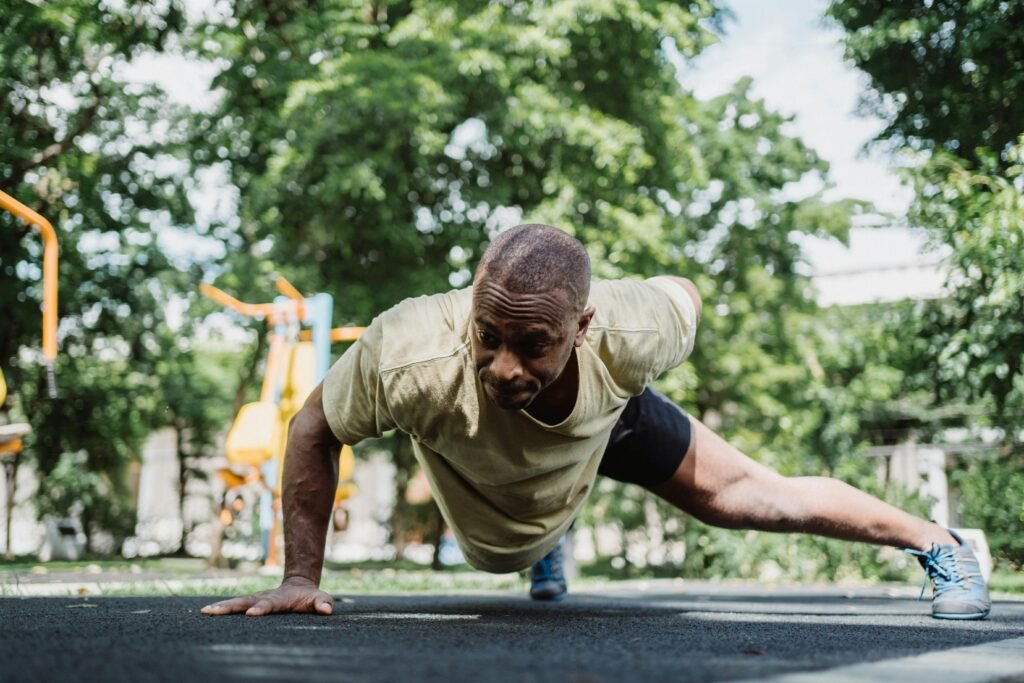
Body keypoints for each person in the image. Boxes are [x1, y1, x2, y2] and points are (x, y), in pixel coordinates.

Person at [202, 224, 990, 620]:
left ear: (580, 327)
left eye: (533, 344)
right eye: (489, 334)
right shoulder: (409, 353)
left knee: (751, 494)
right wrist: (301, 576)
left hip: (609, 415)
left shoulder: (629, 330)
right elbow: (313, 428)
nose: (505, 365)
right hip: (478, 459)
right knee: (497, 555)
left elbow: (683, 291)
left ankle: (940, 543)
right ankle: (552, 535)